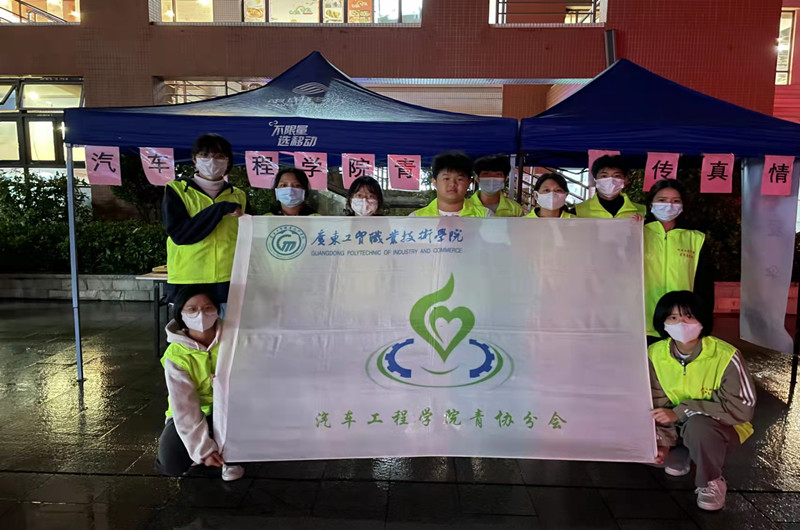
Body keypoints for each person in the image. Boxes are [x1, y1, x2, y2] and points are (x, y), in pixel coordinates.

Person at [649, 291, 755, 512]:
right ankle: (680, 455)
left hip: (723, 426)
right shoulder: (655, 354)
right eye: (673, 317)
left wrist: (683, 411)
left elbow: (742, 409)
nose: (681, 324)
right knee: (646, 446)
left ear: (702, 319)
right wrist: (663, 444)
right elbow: (657, 402)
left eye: (689, 316)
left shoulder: (726, 356)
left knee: (699, 428)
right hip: (678, 425)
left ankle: (711, 481)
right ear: (663, 322)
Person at [156, 285, 245, 481]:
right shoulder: (176, 355)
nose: (201, 315)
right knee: (171, 463)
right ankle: (203, 447)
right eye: (192, 309)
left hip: (231, 409)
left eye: (207, 308)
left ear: (217, 310)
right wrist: (202, 449)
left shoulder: (234, 340)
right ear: (181, 314)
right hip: (194, 411)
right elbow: (184, 405)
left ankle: (231, 458)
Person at [162, 133, 247, 307]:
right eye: (205, 155)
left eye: (219, 156)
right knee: (193, 324)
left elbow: (247, 237)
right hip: (189, 278)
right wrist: (220, 208)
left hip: (230, 277)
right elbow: (180, 235)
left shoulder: (239, 195)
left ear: (228, 161)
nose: (212, 161)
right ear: (195, 159)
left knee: (229, 324)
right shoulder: (177, 190)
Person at [644, 179, 714, 345]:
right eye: (662, 200)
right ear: (651, 203)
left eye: (675, 201)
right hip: (642, 319)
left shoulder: (695, 237)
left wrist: (703, 317)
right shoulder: (637, 233)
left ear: (682, 205)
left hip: (682, 323)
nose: (669, 205)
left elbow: (704, 283)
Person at [410, 152, 491, 217]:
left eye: (460, 179)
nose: (452, 184)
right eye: (446, 178)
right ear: (434, 182)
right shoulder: (416, 218)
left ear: (469, 183)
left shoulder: (485, 215)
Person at [575, 155, 645, 219]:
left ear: (625, 180)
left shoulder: (642, 211)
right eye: (604, 176)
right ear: (595, 180)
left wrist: (641, 224)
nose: (610, 180)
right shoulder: (577, 211)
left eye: (617, 176)